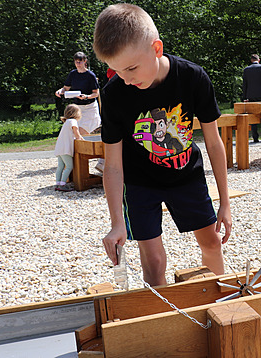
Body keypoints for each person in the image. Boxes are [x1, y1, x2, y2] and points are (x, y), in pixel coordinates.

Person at [93, 3, 232, 286]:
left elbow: (214, 144)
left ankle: (221, 301)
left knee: (212, 244)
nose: (127, 79)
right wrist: (117, 222)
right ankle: (163, 320)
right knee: (154, 261)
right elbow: (113, 165)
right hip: (140, 183)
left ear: (157, 49)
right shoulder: (115, 94)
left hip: (186, 175)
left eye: (131, 68)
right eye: (117, 71)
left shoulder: (193, 78)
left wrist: (225, 203)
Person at [55, 51, 105, 172]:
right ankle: (73, 158)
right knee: (74, 132)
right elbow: (66, 88)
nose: (78, 63)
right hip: (77, 108)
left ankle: (81, 157)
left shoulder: (90, 75)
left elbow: (96, 93)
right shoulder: (73, 74)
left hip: (89, 107)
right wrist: (59, 91)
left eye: (80, 61)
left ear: (85, 61)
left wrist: (87, 96)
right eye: (76, 61)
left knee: (81, 132)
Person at [54, 104, 85, 192]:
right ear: (76, 113)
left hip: (60, 148)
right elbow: (76, 133)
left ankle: (57, 184)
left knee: (60, 166)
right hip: (65, 149)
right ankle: (63, 185)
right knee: (69, 166)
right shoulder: (73, 121)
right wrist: (82, 140)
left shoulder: (66, 122)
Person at [242, 54, 261, 143]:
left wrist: (245, 97)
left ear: (251, 60)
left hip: (250, 96)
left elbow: (245, 84)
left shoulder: (246, 70)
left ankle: (255, 137)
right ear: (259, 60)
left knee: (253, 116)